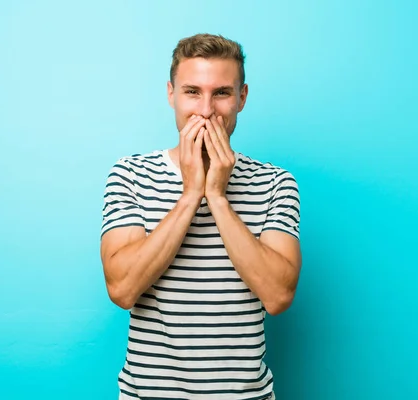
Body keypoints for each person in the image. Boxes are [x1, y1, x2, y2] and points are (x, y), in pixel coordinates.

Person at [100, 33, 301, 400]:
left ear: (241, 98)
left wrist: (218, 198)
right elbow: (123, 289)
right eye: (193, 91)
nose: (207, 111)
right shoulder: (128, 174)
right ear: (171, 94)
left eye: (222, 93)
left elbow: (277, 296)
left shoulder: (276, 183)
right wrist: (191, 193)